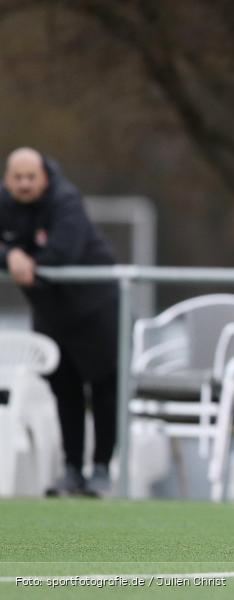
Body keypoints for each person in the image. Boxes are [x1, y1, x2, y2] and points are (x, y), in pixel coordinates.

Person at [0, 147, 119, 497]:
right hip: (52, 313)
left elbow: (61, 253)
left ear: (45, 177)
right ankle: (71, 470)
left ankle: (101, 469)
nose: (23, 184)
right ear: (7, 179)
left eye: (30, 177)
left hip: (94, 308)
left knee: (102, 390)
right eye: (16, 178)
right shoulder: (4, 203)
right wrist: (11, 256)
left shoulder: (66, 201)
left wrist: (23, 261)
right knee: (64, 390)